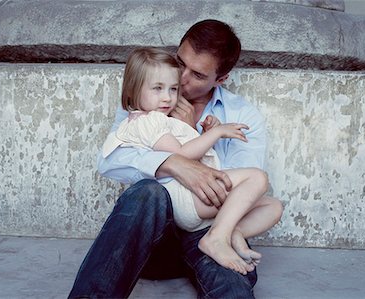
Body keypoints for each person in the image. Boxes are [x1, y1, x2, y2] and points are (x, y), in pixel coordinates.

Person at [69, 19, 283, 299]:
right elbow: (110, 161)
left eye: (197, 75)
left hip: (207, 232)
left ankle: (225, 239)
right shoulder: (146, 96)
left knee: (233, 285)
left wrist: (193, 131)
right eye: (180, 63)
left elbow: (233, 188)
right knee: (148, 192)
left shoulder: (243, 116)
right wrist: (172, 163)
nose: (181, 80)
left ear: (220, 80)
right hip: (155, 239)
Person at [101, 47, 281, 275]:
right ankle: (217, 239)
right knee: (257, 178)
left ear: (221, 79)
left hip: (202, 200)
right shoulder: (149, 121)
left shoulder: (163, 117)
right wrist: (214, 134)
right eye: (158, 89)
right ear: (133, 91)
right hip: (186, 199)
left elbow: (189, 151)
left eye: (172, 89)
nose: (168, 97)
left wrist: (200, 131)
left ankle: (228, 232)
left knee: (272, 206)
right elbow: (181, 157)